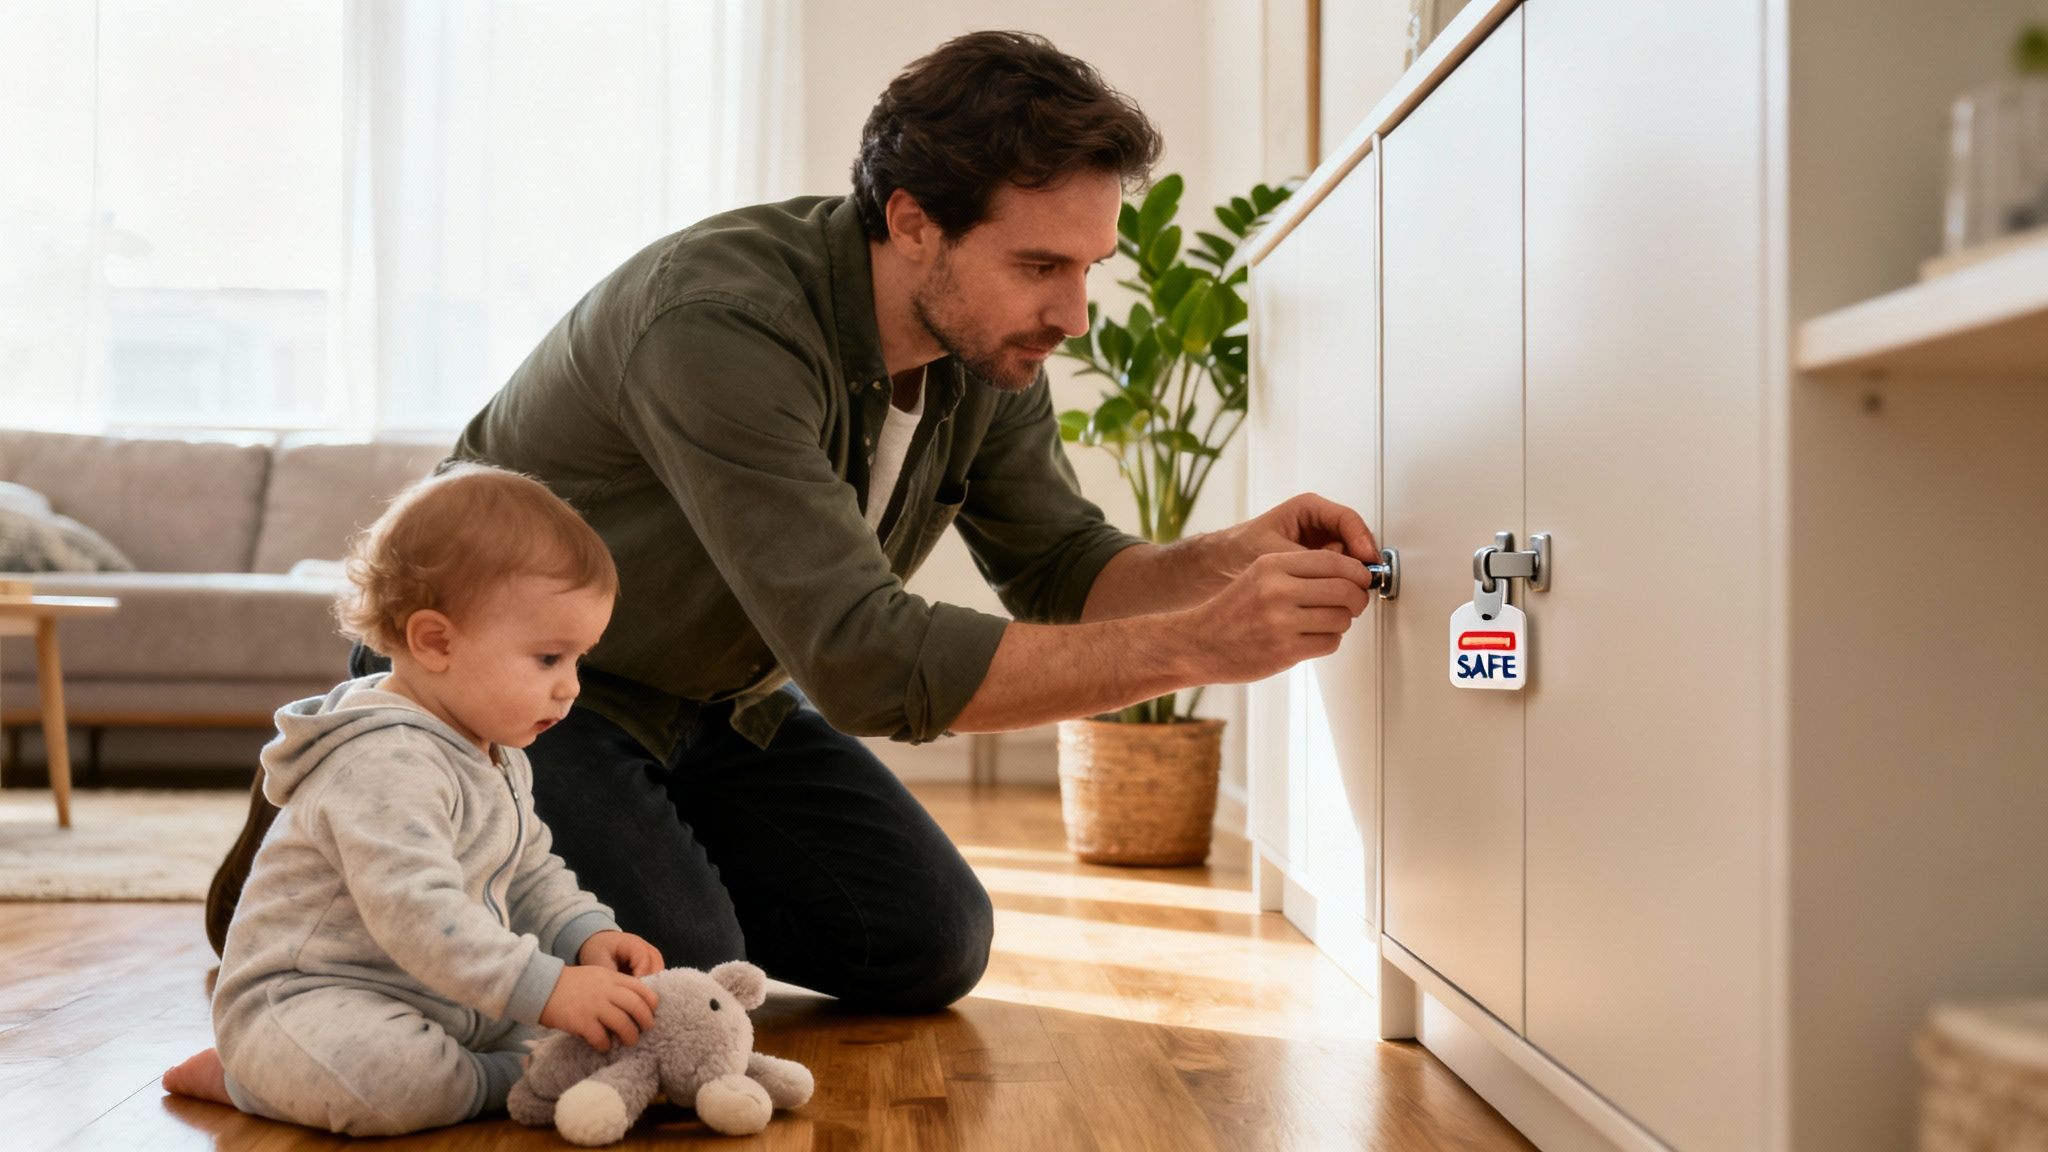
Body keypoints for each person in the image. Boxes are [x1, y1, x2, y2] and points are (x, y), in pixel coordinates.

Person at [207, 29, 1381, 1016]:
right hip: (513, 690)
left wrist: (1229, 559)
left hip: (718, 701)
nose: (1071, 314)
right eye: (1038, 266)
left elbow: (1064, 565)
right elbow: (869, 663)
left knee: (926, 944)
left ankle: (502, 878)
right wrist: (1201, 646)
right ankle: (343, 819)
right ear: (912, 221)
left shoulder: (986, 348)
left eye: (1084, 269)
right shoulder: (720, 321)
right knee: (678, 963)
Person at [165, 465, 666, 1136]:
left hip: (440, 996)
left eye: (579, 660)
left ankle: (508, 1065)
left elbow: (533, 870)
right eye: (549, 659)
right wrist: (549, 990)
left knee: (586, 1027)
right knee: (393, 1084)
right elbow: (418, 914)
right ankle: (247, 1077)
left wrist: (588, 934)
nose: (571, 687)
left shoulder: (493, 750)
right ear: (436, 641)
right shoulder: (381, 762)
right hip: (309, 1002)